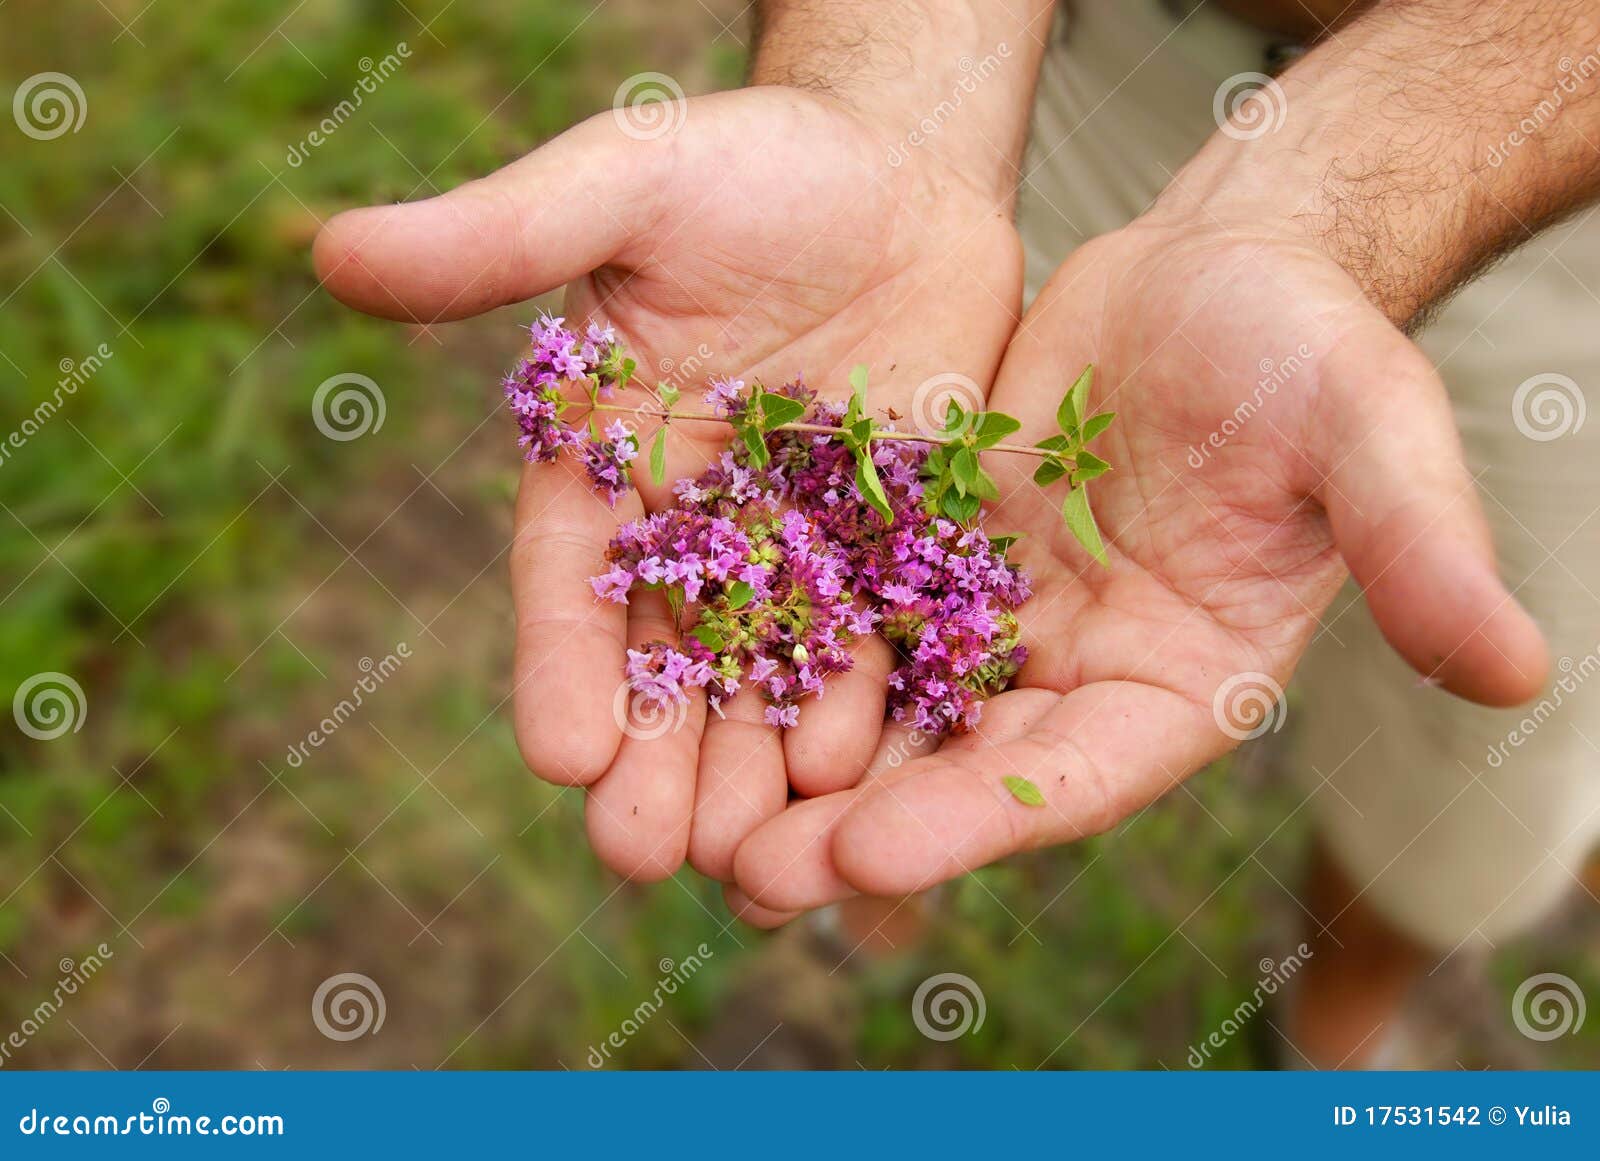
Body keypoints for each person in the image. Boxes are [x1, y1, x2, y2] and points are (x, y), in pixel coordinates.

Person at [313, 0, 1600, 1068]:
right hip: (1094, 52)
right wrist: (878, 93)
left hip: (1558, 188)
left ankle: (1336, 1025)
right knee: (914, 724)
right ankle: (875, 881)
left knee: (1473, 784)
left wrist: (1314, 214)